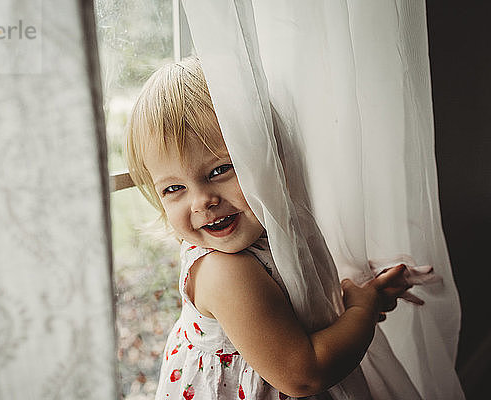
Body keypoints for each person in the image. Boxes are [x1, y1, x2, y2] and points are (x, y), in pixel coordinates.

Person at [126, 57, 421, 399]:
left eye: (220, 170)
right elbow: (303, 376)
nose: (201, 201)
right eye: (173, 188)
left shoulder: (275, 231)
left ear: (268, 158)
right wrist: (361, 310)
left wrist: (350, 299)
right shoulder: (224, 271)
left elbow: (288, 311)